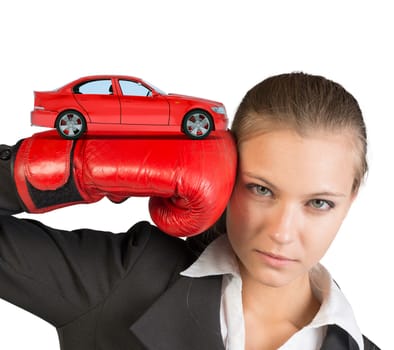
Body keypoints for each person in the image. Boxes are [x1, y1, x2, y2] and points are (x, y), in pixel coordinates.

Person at [0, 72, 380, 349]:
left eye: (318, 203)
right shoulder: (123, 280)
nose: (281, 232)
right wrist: (70, 169)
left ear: (351, 198)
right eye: (261, 189)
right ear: (225, 172)